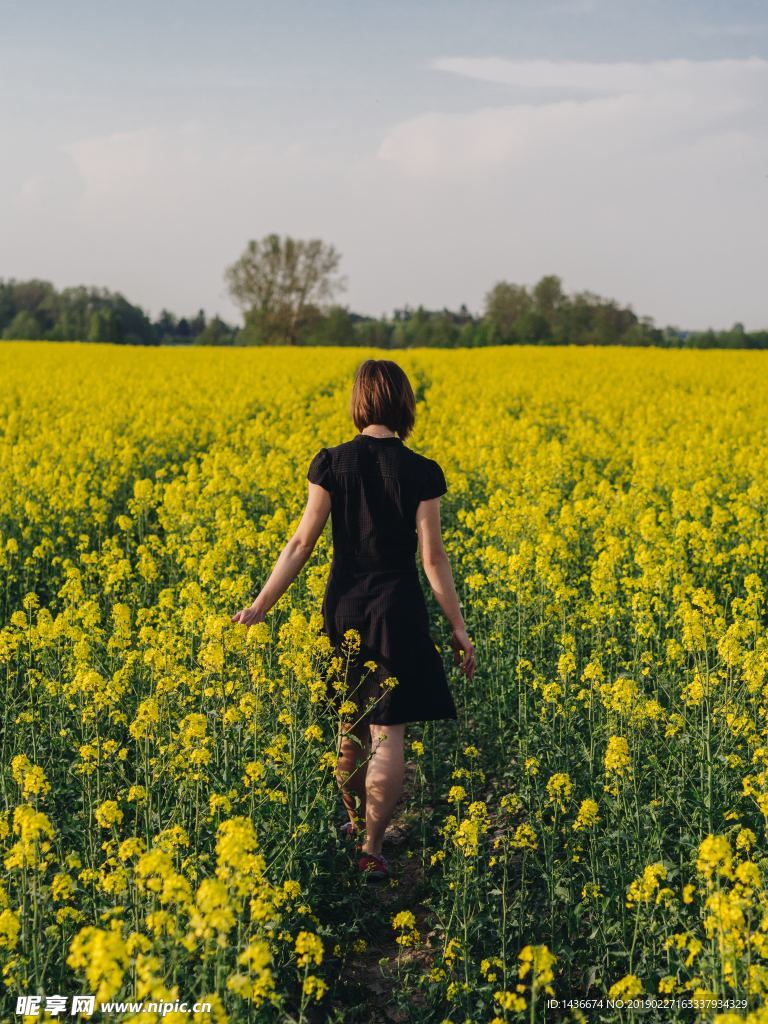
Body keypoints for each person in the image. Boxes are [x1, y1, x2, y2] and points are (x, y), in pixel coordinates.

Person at [231, 358, 476, 882]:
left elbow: (301, 542)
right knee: (390, 734)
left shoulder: (332, 463)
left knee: (351, 727)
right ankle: (372, 845)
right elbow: (433, 559)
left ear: (359, 403)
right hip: (398, 609)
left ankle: (351, 820)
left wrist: (261, 604)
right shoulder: (420, 471)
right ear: (405, 404)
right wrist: (457, 626)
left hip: (344, 607)